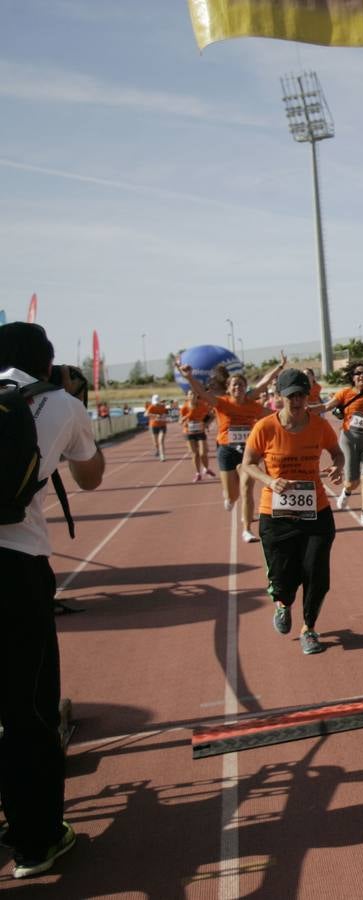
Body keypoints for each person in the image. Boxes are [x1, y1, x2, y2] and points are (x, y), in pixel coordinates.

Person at [0, 322, 104, 879]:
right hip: (15, 565)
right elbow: (90, 477)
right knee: (28, 707)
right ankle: (37, 841)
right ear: (48, 363)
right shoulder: (60, 402)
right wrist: (71, 400)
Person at [240, 369, 344, 655]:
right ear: (279, 397)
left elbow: (337, 452)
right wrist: (269, 481)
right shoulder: (265, 428)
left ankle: (309, 628)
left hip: (316, 511)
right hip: (276, 515)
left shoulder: (319, 426)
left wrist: (338, 465)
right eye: (291, 397)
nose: (297, 402)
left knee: (316, 573)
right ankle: (283, 604)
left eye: (301, 396)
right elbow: (247, 464)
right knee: (283, 578)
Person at [179, 357, 285, 543]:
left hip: (248, 452)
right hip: (227, 450)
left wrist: (279, 367)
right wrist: (188, 377)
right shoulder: (221, 403)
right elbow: (202, 392)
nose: (238, 387)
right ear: (228, 388)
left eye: (241, 384)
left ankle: (247, 529)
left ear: (246, 388)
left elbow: (265, 384)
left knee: (247, 489)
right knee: (233, 495)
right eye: (234, 385)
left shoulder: (252, 404)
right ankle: (228, 497)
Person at [323, 363, 363, 527]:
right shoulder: (345, 393)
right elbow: (326, 406)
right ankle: (347, 491)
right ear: (352, 377)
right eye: (358, 373)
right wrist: (307, 409)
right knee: (353, 481)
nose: (362, 376)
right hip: (349, 440)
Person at [179, 390, 214, 482]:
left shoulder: (202, 405)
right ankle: (198, 473)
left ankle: (206, 469)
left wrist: (206, 424)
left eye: (194, 394)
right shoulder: (184, 407)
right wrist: (184, 419)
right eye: (191, 394)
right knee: (195, 454)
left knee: (203, 453)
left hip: (200, 432)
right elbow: (180, 421)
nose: (193, 396)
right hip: (189, 433)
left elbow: (211, 416)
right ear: (187, 396)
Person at [146, 393, 169, 461]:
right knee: (156, 443)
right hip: (153, 425)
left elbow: (167, 414)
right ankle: (157, 450)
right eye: (155, 403)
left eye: (157, 402)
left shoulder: (163, 407)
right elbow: (146, 414)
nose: (156, 404)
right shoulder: (151, 407)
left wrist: (164, 416)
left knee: (161, 441)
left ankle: (162, 456)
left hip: (162, 425)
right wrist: (155, 415)